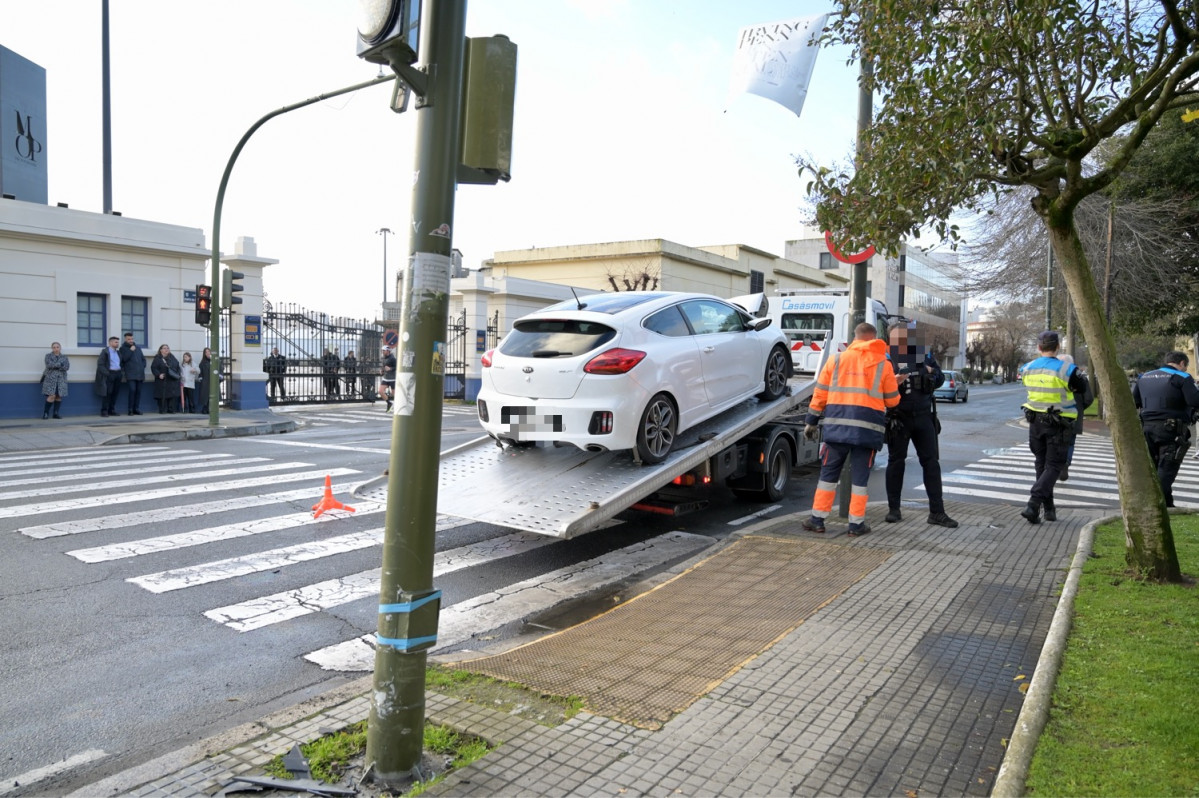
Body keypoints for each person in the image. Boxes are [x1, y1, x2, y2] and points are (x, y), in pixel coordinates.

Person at [800, 323, 901, 537]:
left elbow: (820, 394)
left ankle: (817, 520)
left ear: (854, 337)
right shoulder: (884, 364)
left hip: (837, 428)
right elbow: (892, 402)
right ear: (875, 339)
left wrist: (811, 421)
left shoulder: (836, 360)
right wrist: (896, 385)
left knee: (828, 476)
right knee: (860, 480)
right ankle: (856, 525)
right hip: (867, 431)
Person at [883, 325, 958, 528]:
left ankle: (937, 512)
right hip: (898, 418)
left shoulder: (923, 355)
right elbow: (877, 387)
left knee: (931, 463)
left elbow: (940, 378)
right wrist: (894, 382)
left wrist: (930, 371)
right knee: (896, 462)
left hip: (924, 417)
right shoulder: (886, 358)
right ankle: (894, 509)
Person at [1019, 331, 1089, 523]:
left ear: (1038, 348)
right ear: (1058, 347)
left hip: (1035, 422)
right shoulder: (1067, 369)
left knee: (1041, 464)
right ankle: (1034, 503)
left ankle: (1048, 509)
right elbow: (1081, 389)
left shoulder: (1027, 368)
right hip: (1059, 423)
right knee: (1054, 465)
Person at [1132, 351, 1199, 507]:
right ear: (1182, 363)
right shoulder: (1182, 377)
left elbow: (1135, 402)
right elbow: (1194, 400)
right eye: (1186, 366)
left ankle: (1168, 505)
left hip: (1147, 428)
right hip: (1171, 429)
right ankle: (1154, 506)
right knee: (1167, 469)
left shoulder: (1145, 377)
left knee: (1154, 468)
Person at [1054, 354, 1093, 482]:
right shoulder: (1080, 377)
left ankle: (1054, 466)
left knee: (1055, 442)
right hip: (1074, 415)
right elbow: (1088, 399)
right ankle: (1066, 463)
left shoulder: (1055, 375)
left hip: (1056, 415)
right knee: (1070, 442)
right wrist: (1080, 409)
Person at [94, 335, 123, 417]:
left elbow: (121, 363)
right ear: (110, 343)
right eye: (116, 342)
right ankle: (104, 411)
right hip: (109, 374)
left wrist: (121, 373)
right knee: (107, 393)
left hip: (118, 374)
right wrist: (107, 373)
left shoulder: (118, 352)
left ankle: (112, 410)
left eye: (118, 342)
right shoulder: (105, 352)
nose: (117, 343)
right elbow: (100, 364)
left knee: (115, 393)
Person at [119, 332, 146, 415]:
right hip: (130, 374)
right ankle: (130, 409)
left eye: (132, 339)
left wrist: (142, 367)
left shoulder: (138, 348)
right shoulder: (123, 348)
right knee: (132, 390)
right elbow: (123, 360)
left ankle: (136, 408)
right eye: (129, 339)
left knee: (138, 391)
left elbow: (143, 359)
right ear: (125, 339)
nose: (131, 340)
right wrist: (130, 351)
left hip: (140, 374)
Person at [41, 342, 70, 419]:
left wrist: (56, 366)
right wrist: (60, 365)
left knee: (59, 396)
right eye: (54, 347)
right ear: (52, 348)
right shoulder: (48, 356)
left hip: (61, 379)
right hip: (50, 379)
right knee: (51, 395)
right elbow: (49, 365)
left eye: (57, 347)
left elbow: (66, 367)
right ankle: (45, 413)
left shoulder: (65, 357)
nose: (56, 349)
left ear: (60, 348)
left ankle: (55, 413)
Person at [151, 344, 182, 414]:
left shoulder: (172, 358)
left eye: (167, 348)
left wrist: (177, 374)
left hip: (171, 380)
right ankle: (162, 409)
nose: (166, 349)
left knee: (171, 395)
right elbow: (154, 368)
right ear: (161, 350)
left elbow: (177, 366)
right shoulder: (157, 358)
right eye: (164, 348)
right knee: (162, 395)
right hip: (162, 380)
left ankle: (170, 409)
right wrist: (159, 375)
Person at [197, 347, 213, 414]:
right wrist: (201, 378)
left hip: (212, 382)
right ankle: (204, 409)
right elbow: (200, 373)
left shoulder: (214, 361)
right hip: (205, 382)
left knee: (211, 395)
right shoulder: (202, 363)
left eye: (208, 351)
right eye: (206, 352)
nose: (208, 353)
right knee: (205, 396)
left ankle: (209, 409)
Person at [380, 346, 397, 411]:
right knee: (380, 391)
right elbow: (384, 366)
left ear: (388, 351)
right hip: (385, 378)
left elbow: (396, 367)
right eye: (382, 350)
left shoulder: (393, 358)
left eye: (383, 350)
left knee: (394, 394)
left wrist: (390, 368)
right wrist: (382, 370)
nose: (382, 352)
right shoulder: (383, 358)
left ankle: (398, 406)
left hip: (393, 378)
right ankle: (389, 403)